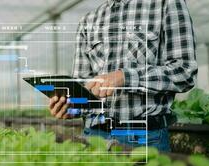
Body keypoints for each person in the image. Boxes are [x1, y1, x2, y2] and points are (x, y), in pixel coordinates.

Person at [49, 0, 197, 152]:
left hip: (144, 138)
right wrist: (71, 106)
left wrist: (125, 77)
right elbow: (83, 85)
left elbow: (185, 72)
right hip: (94, 137)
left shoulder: (165, 4)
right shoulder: (88, 21)